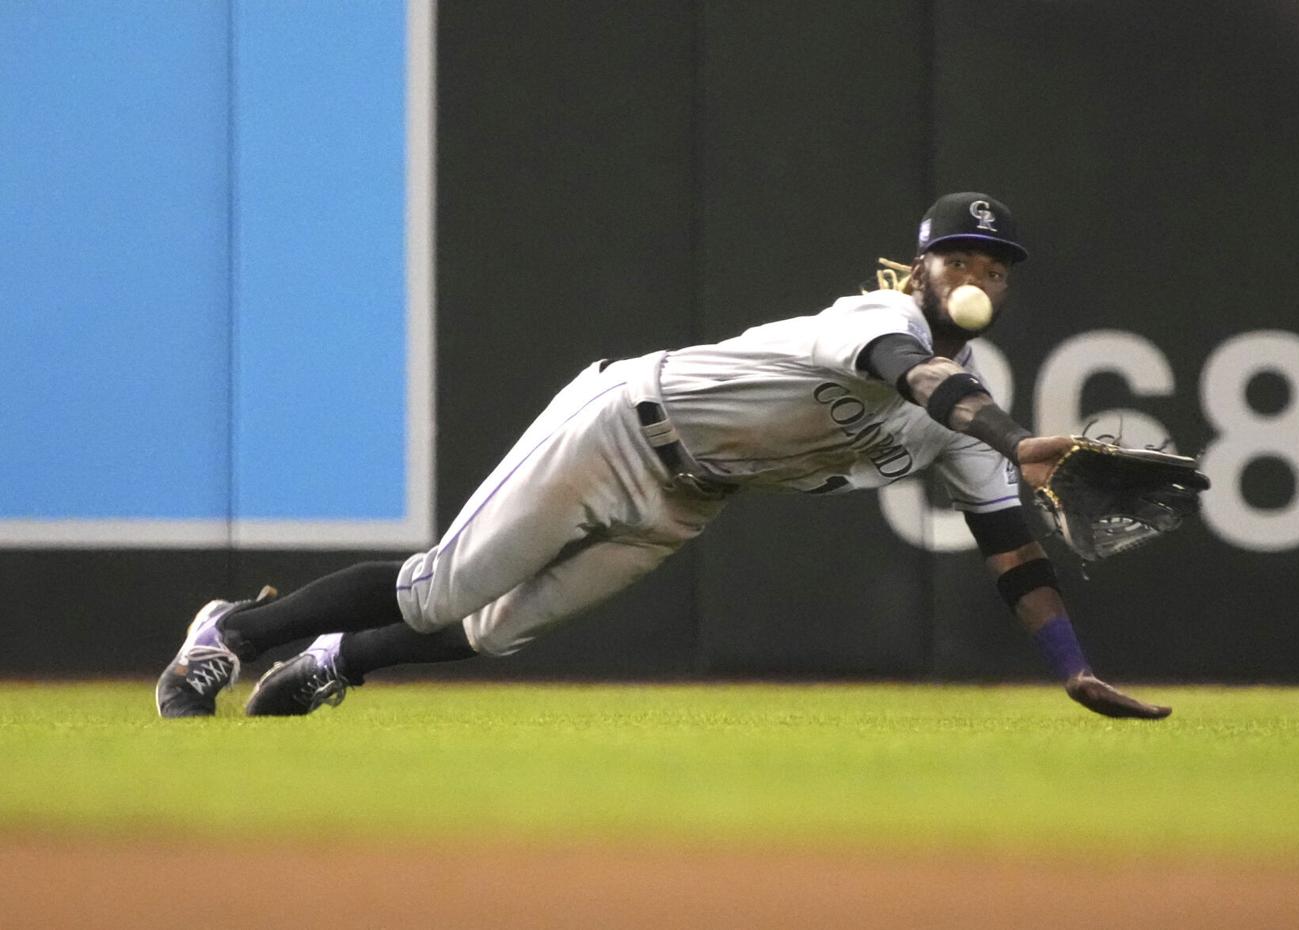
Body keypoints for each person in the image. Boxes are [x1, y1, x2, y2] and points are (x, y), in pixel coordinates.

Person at [156, 192, 1171, 721]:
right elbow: (920, 378)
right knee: (439, 591)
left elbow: (1015, 557)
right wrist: (1015, 438)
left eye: (992, 265)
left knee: (501, 630)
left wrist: (1072, 668)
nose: (975, 273)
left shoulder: (971, 425)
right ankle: (236, 634)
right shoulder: (875, 314)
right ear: (921, 266)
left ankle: (335, 661)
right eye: (959, 257)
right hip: (619, 423)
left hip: (690, 495)